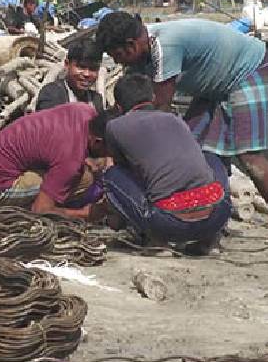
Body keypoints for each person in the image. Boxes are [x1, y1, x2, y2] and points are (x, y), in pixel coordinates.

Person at [95, 12, 268, 243]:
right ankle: (212, 223)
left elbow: (159, 108)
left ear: (131, 45)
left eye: (118, 56)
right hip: (212, 85)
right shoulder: (143, 49)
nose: (119, 63)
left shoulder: (164, 46)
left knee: (248, 155)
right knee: (197, 147)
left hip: (247, 70)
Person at [97, 74, 230, 253]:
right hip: (215, 216)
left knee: (111, 175)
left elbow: (124, 169)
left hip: (167, 223)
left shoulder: (115, 126)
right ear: (152, 98)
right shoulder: (175, 119)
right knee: (211, 159)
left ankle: (158, 242)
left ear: (118, 106)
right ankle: (210, 239)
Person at [0, 103, 105, 220]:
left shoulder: (84, 111)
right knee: (84, 179)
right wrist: (84, 213)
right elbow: (40, 210)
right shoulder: (70, 161)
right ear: (98, 142)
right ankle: (22, 211)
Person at [35, 39, 105, 113]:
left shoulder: (96, 100)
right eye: (81, 67)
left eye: (93, 69)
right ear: (67, 64)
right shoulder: (52, 94)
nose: (86, 74)